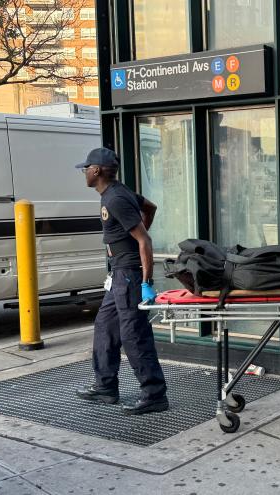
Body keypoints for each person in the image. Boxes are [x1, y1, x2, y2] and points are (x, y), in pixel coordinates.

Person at [75, 148, 169, 415]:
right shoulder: (117, 192)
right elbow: (150, 207)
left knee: (134, 335)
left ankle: (154, 394)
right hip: (118, 273)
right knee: (105, 326)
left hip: (128, 275)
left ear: (97, 171)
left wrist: (146, 281)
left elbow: (144, 241)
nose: (84, 173)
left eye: (86, 168)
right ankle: (105, 387)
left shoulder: (115, 198)